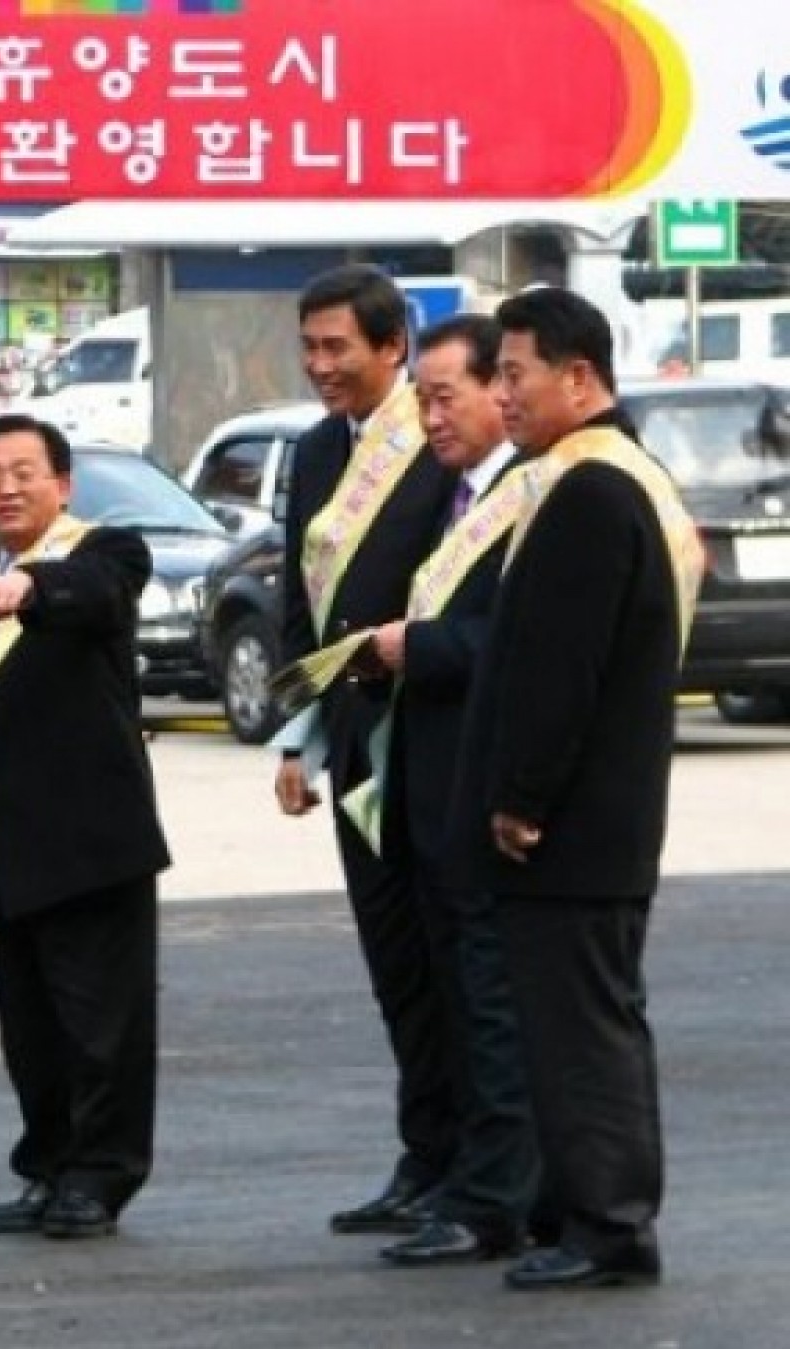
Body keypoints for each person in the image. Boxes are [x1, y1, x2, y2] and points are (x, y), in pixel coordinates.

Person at [451, 287, 704, 1291]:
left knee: (583, 1030)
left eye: (514, 373)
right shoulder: (600, 475)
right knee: (580, 1022)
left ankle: (608, 1225)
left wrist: (522, 795)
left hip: (574, 826)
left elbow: (560, 670)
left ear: (580, 377)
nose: (501, 394)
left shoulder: (592, 490)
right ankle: (582, 1209)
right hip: (596, 819)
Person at [0, 412, 170, 1240]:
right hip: (1, 842)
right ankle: (50, 1163)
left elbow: (97, 592)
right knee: (30, 1030)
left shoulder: (105, 551)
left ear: (63, 484)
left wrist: (33, 587)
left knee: (103, 1024)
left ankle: (101, 1175)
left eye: (25, 470)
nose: (6, 486)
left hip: (92, 842)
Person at [273, 264, 460, 1234]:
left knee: (443, 956)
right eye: (309, 348)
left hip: (422, 735)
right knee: (393, 957)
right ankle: (422, 1149)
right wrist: (298, 736)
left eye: (338, 347)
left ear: (394, 347)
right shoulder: (310, 453)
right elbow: (300, 606)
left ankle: (467, 1159)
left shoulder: (437, 447)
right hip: (350, 744)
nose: (320, 366)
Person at [354, 317, 540, 1268]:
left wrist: (414, 647)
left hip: (483, 790)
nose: (428, 417)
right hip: (426, 791)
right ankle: (466, 1174)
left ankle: (497, 1196)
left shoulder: (526, 496)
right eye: (419, 399)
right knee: (455, 1002)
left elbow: (515, 641)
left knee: (494, 1004)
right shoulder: (452, 495)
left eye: (444, 395)